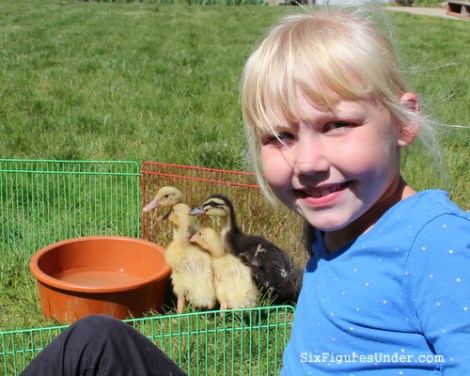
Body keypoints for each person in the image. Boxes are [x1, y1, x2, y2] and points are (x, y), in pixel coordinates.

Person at [21, 4, 469, 376]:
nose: (308, 163)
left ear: (403, 122)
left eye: (337, 125)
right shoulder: (331, 228)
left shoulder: (438, 243)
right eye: (281, 137)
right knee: (95, 341)